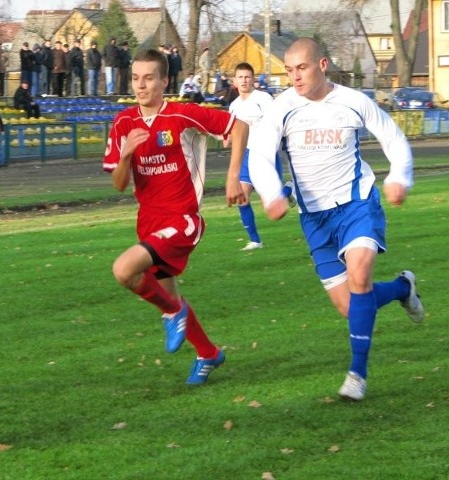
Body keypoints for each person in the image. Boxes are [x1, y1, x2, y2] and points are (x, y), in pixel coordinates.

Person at [248, 37, 425, 401]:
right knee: (350, 306)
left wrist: (398, 177)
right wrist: (270, 192)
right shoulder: (282, 108)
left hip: (356, 203)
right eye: (289, 70)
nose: (294, 77)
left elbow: (393, 138)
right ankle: (402, 288)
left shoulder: (354, 101)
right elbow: (260, 155)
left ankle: (357, 375)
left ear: (322, 65)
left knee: (360, 276)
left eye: (302, 68)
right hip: (314, 219)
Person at [102, 48, 249, 385]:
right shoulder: (123, 122)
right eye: (136, 78)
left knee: (124, 270)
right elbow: (120, 184)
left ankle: (173, 313)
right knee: (171, 295)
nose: (141, 86)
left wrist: (232, 177)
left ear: (165, 81)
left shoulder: (182, 115)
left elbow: (238, 126)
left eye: (149, 78)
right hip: (148, 223)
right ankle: (208, 352)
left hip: (182, 220)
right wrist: (125, 156)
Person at [227, 62, 294, 251]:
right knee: (242, 198)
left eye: (247, 76)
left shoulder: (263, 99)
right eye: (240, 77)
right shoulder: (234, 106)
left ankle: (289, 191)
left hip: (265, 153)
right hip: (246, 155)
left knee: (273, 206)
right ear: (234, 81)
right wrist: (229, 139)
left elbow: (278, 121)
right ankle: (255, 240)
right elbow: (234, 131)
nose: (244, 80)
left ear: (253, 79)